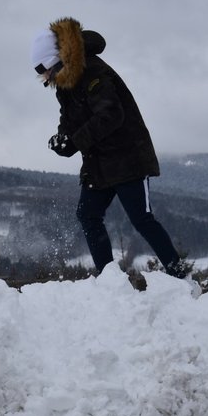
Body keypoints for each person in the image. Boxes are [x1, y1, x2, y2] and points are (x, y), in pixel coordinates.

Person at [30, 17, 187, 278]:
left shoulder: (93, 71)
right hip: (99, 162)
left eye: (48, 73)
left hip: (128, 157)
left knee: (141, 218)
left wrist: (76, 140)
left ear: (57, 63)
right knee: (88, 215)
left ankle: (180, 274)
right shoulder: (66, 85)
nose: (48, 80)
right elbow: (69, 121)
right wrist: (63, 140)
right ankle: (110, 282)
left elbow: (110, 115)